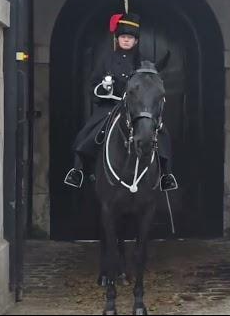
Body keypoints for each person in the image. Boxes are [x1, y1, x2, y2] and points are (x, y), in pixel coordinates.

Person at [64, 10, 177, 191]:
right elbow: (92, 85)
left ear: (136, 41)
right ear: (117, 39)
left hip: (135, 108)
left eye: (130, 38)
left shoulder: (142, 64)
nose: (126, 40)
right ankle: (78, 171)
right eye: (123, 36)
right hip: (111, 105)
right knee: (89, 133)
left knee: (161, 133)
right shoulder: (106, 60)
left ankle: (166, 174)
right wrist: (105, 87)